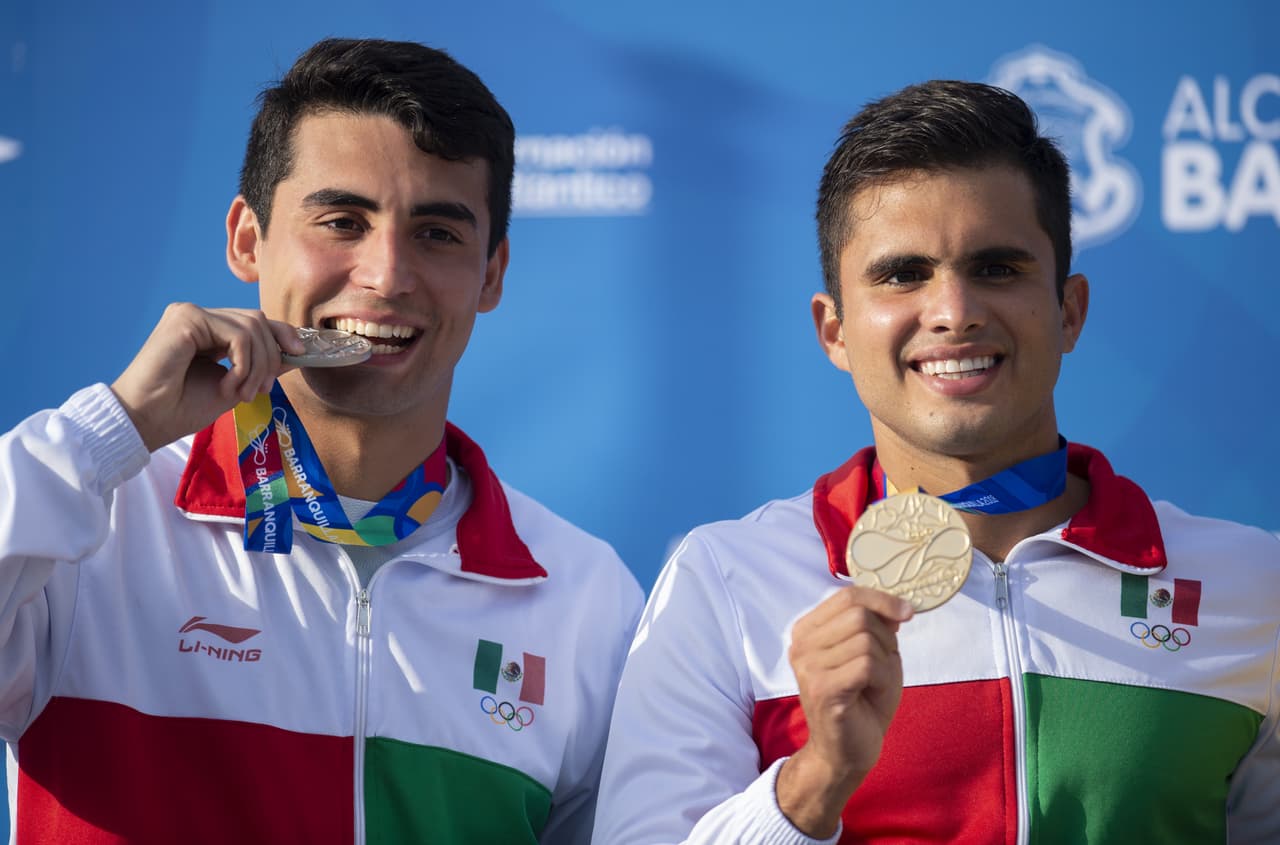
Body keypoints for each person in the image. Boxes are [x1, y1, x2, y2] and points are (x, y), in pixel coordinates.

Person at [592, 80, 1280, 844]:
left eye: (997, 268)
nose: (953, 311)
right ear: (834, 331)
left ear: (1070, 310)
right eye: (901, 274)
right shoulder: (725, 580)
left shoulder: (1253, 585)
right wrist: (815, 780)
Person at [0, 38, 642, 844]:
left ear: (491, 274)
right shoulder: (92, 534)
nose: (386, 275)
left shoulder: (585, 597)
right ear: (246, 239)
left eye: (437, 233)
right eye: (341, 220)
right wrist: (115, 428)